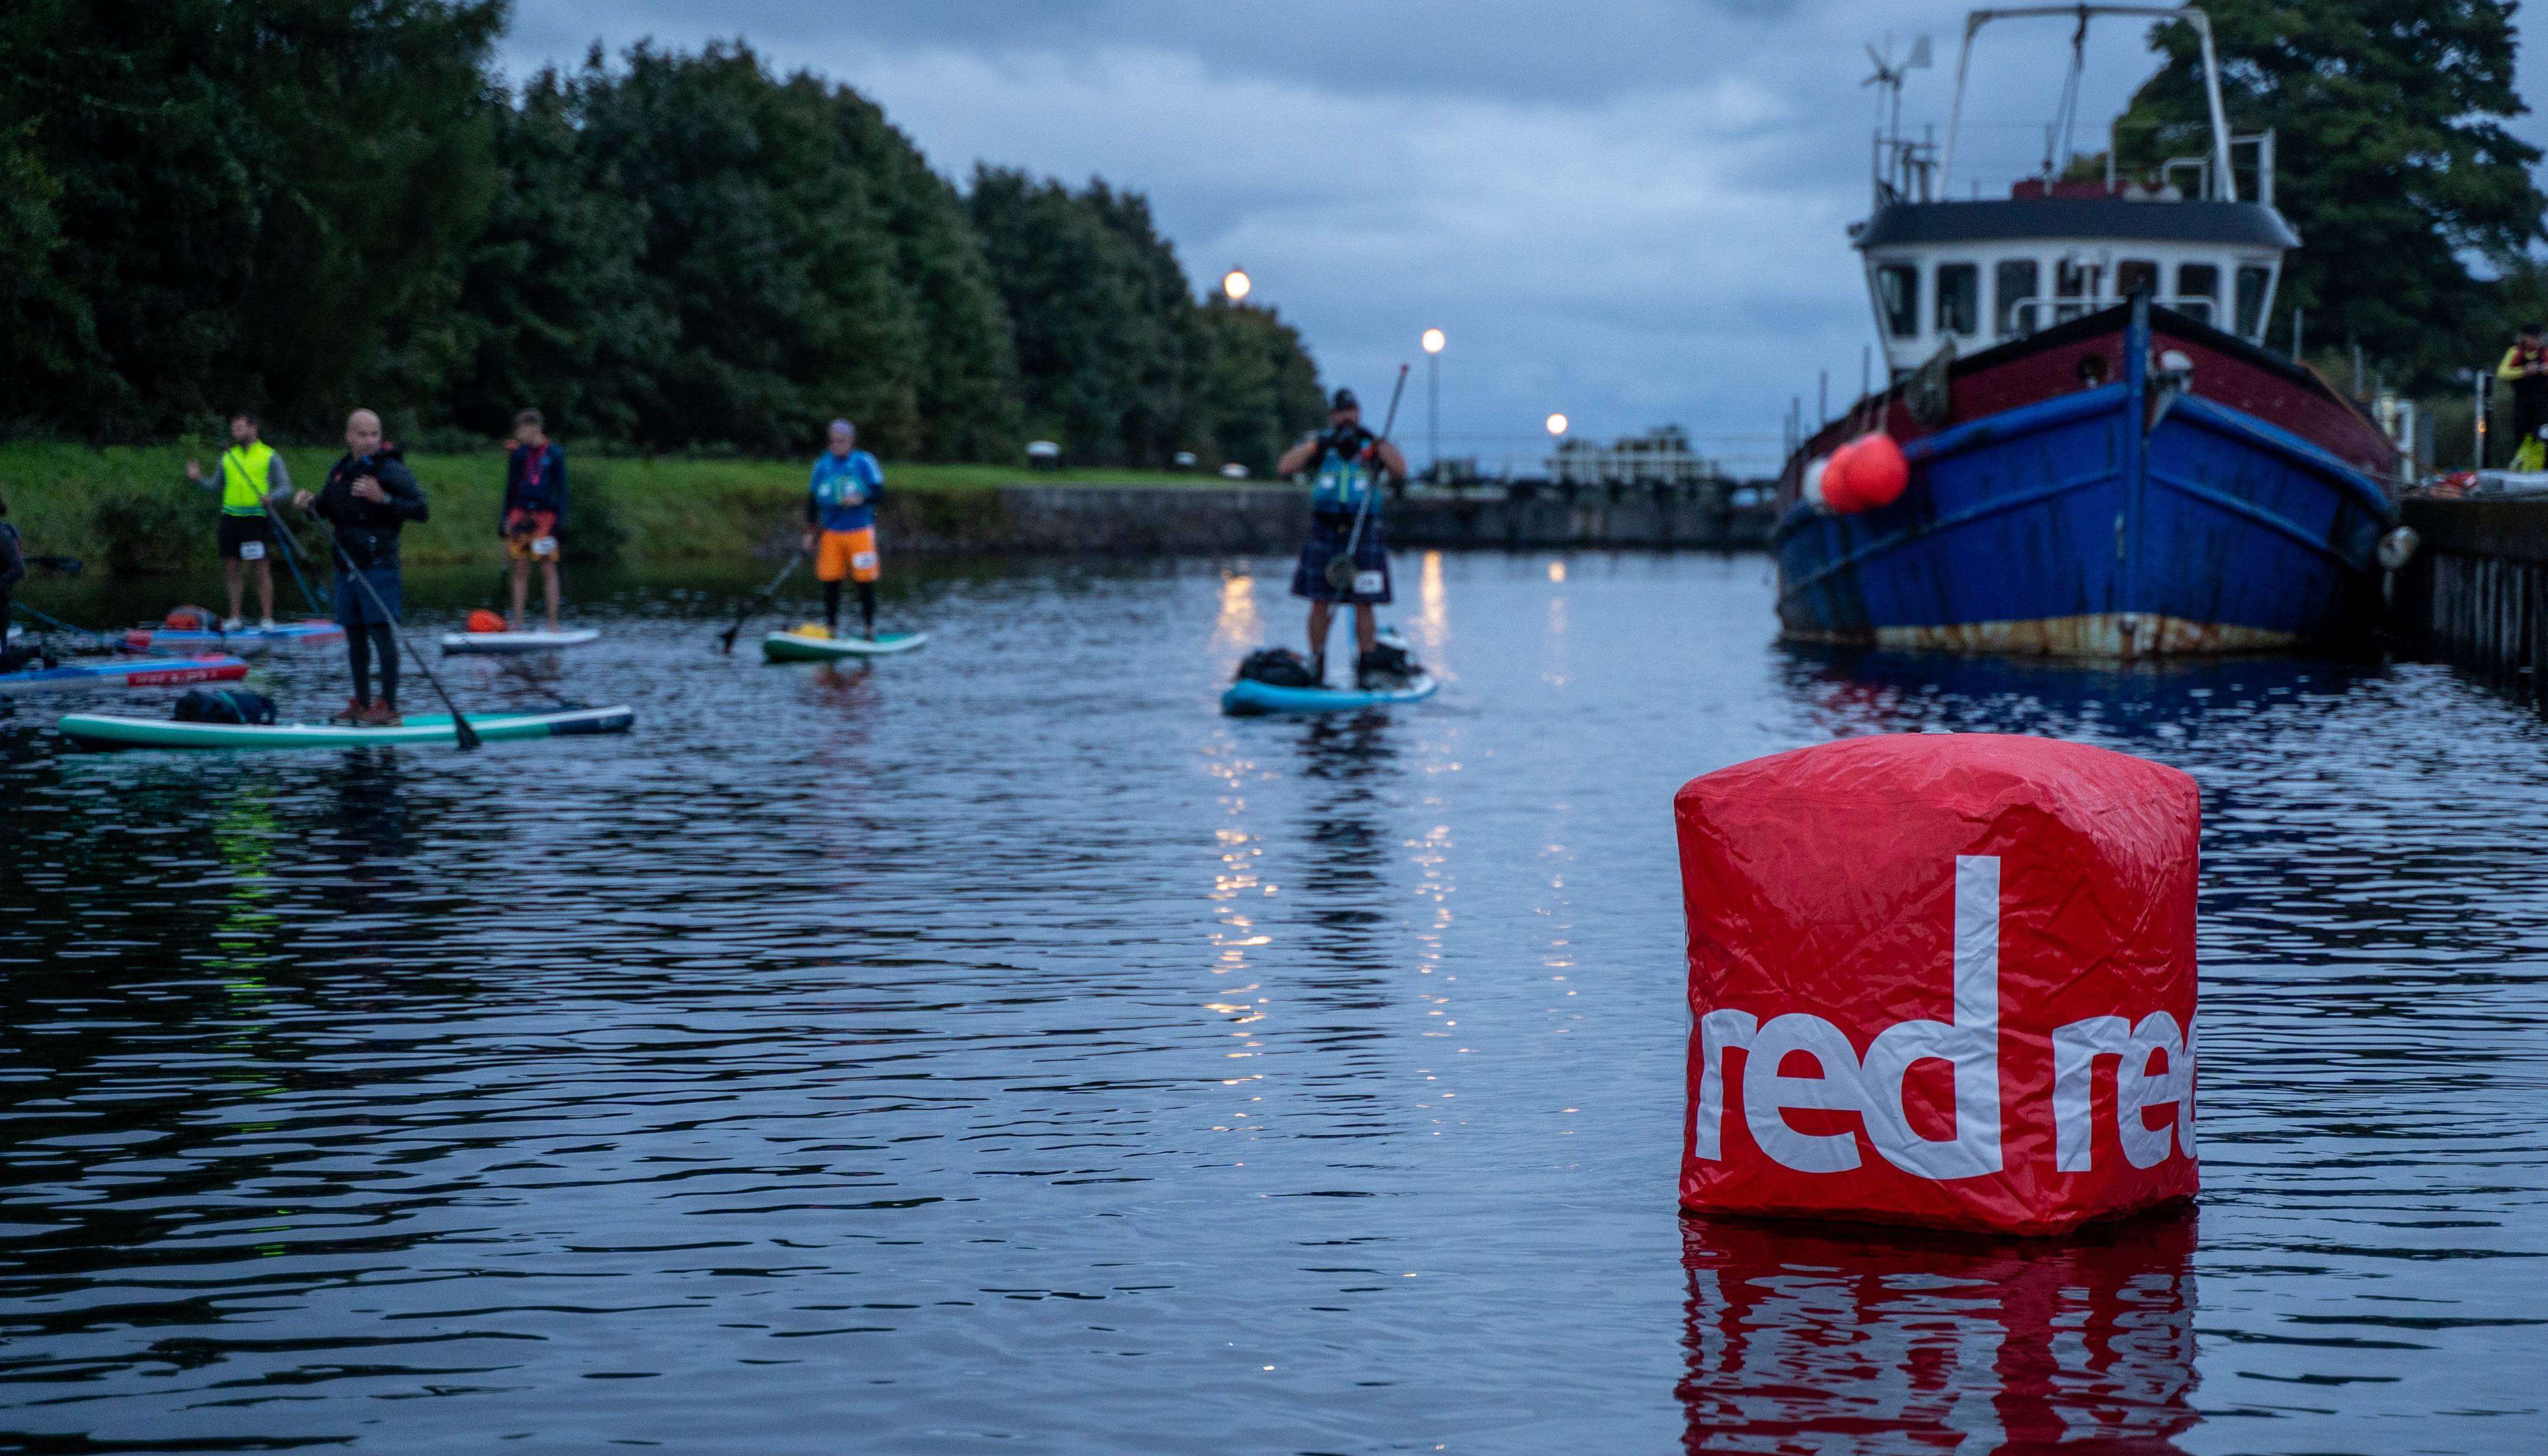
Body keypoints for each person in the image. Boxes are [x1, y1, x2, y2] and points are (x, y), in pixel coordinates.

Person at [1278, 387, 1421, 687]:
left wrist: (1377, 444)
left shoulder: (1370, 446)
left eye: (1351, 411)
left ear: (1358, 413)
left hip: (1363, 528)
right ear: (1333, 416)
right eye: (1341, 412)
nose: (1347, 417)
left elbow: (1400, 471)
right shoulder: (1321, 446)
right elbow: (1285, 466)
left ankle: (1367, 664)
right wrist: (1318, 444)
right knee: (1320, 600)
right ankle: (1316, 661)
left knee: (1364, 602)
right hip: (1326, 530)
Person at [293, 410, 428, 726]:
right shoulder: (341, 470)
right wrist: (308, 503)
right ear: (349, 437)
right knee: (354, 636)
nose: (370, 441)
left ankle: (389, 707)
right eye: (363, 434)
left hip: (378, 565)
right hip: (346, 565)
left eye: (375, 434)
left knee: (381, 634)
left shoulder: (390, 469)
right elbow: (325, 508)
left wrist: (383, 499)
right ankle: (362, 703)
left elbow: (421, 510)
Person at [184, 411, 294, 630]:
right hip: (231, 519)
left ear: (253, 429)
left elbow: (286, 487)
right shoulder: (227, 457)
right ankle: (235, 617)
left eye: (241, 428)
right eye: (234, 429)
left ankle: (267, 618)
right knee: (232, 568)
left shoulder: (269, 455)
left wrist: (273, 497)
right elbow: (216, 486)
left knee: (260, 568)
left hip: (256, 519)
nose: (236, 433)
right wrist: (198, 480)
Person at [801, 419, 886, 638]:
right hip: (831, 532)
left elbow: (880, 493)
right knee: (830, 581)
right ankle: (831, 629)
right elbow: (812, 501)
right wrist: (811, 532)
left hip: (860, 532)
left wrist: (862, 497)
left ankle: (869, 629)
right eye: (834, 442)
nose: (837, 446)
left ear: (851, 441)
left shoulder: (864, 461)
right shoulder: (822, 465)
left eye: (842, 441)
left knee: (864, 582)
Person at [500, 408, 568, 631]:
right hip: (521, 514)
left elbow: (563, 489)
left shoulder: (555, 454)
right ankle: (518, 623)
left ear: (534, 428)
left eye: (522, 430)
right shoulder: (519, 454)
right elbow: (510, 488)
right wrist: (504, 518)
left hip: (545, 517)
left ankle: (553, 625)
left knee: (548, 568)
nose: (519, 435)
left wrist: (561, 519)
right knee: (520, 568)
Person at [2497, 323, 2548, 470]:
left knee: (2542, 438)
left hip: (2542, 404)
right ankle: (2522, 471)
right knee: (2522, 439)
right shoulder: (2515, 352)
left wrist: (2540, 369)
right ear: (2525, 337)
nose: (2537, 341)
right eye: (2534, 337)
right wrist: (2525, 371)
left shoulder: (2545, 353)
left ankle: (2541, 470)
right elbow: (2502, 373)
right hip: (2522, 404)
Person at [0, 493, 27, 672]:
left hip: (0, 603)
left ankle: (38, 652)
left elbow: (19, 569)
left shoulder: (3, 536)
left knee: (4, 659)